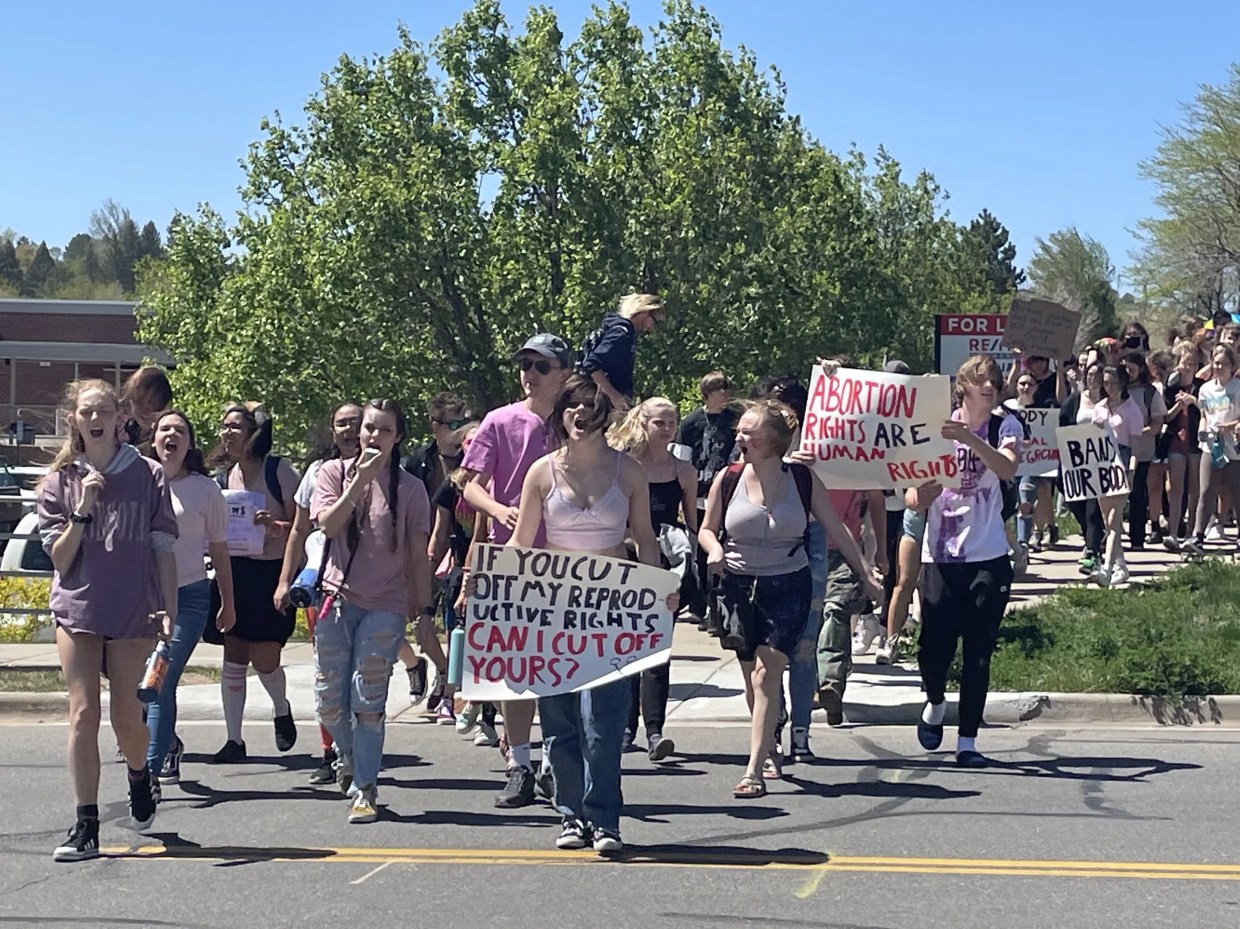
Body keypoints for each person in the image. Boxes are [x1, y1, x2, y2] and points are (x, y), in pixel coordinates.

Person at [502, 373, 676, 855]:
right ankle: (570, 815)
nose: (581, 416)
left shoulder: (630, 473)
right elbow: (522, 542)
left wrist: (661, 591)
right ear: (561, 415)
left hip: (610, 611)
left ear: (606, 418)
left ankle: (606, 820)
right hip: (551, 608)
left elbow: (644, 541)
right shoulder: (541, 472)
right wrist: (490, 579)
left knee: (602, 722)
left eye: (591, 409)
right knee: (558, 722)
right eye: (572, 408)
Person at [699, 400, 879, 799]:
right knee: (752, 678)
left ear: (774, 441)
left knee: (767, 675)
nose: (740, 438)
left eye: (750, 432)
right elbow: (706, 529)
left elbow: (838, 528)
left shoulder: (801, 479)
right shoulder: (727, 478)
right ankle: (769, 734)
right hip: (738, 585)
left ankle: (753, 769)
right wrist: (713, 549)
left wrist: (866, 574)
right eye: (740, 431)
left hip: (788, 584)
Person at [37, 380, 179, 861]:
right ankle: (86, 824)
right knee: (83, 714)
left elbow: (163, 547)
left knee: (126, 719)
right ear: (73, 421)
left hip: (133, 608)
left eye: (103, 411)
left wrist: (169, 607)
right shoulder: (60, 481)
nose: (94, 419)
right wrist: (82, 510)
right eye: (85, 412)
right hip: (78, 608)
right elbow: (59, 560)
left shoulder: (149, 474)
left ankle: (140, 776)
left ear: (120, 419)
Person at [461, 332, 571, 808]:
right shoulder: (499, 420)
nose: (530, 374)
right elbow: (468, 485)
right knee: (513, 667)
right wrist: (497, 508)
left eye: (541, 366)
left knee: (560, 665)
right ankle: (520, 764)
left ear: (564, 372)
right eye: (525, 365)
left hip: (569, 560)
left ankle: (556, 763)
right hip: (510, 557)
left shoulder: (579, 421)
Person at [311, 399, 433, 823]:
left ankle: (365, 787)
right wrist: (358, 481)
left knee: (367, 699)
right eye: (368, 428)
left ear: (398, 437)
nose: (373, 437)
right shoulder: (331, 474)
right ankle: (347, 757)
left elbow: (419, 554)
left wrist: (424, 607)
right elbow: (327, 524)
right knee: (328, 703)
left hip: (386, 604)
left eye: (384, 430)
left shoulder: (412, 489)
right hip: (335, 600)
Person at [907, 355, 1021, 767]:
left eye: (993, 380)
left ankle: (968, 741)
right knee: (932, 650)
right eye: (980, 380)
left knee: (978, 652)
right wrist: (922, 497)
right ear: (963, 387)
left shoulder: (1005, 426)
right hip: (940, 556)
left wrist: (970, 439)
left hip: (987, 554)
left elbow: (1007, 468)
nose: (988, 386)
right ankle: (935, 701)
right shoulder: (936, 425)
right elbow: (912, 493)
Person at [145, 411, 236, 796]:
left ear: (189, 443)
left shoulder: (204, 490)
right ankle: (167, 742)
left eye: (179, 430)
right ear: (154, 440)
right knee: (141, 683)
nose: (171, 435)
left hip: (190, 597)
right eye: (165, 429)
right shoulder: (139, 480)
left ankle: (148, 772)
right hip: (142, 597)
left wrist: (228, 603)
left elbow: (219, 549)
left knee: (161, 678)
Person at [206, 403, 301, 763]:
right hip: (235, 571)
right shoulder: (223, 477)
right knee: (233, 654)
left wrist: (275, 527)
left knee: (265, 658)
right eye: (224, 426)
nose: (227, 434)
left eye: (235, 427)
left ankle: (281, 708)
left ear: (253, 433)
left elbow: (302, 526)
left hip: (272, 572)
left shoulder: (279, 471)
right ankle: (234, 740)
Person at [274, 403, 362, 784]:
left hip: (371, 589)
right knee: (329, 675)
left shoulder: (387, 473)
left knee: (362, 675)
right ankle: (333, 751)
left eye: (356, 424)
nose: (349, 431)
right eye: (342, 423)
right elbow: (297, 531)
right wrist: (284, 580)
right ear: (332, 430)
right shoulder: (315, 474)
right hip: (325, 587)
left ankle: (362, 747)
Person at [609, 397, 699, 761]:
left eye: (671, 423)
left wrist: (692, 563)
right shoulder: (624, 466)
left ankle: (655, 731)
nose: (667, 429)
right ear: (643, 424)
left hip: (666, 565)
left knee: (658, 648)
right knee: (626, 646)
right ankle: (626, 727)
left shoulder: (684, 472)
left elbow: (692, 523)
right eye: (659, 423)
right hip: (625, 561)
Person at [400, 393, 472, 705]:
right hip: (424, 546)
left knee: (458, 621)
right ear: (435, 425)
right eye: (453, 424)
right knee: (419, 617)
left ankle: (457, 689)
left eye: (464, 422)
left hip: (460, 547)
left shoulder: (474, 455)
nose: (460, 430)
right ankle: (443, 673)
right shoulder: (419, 461)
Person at [677, 371, 739, 625]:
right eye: (718, 389)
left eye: (726, 388)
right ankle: (698, 605)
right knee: (698, 553)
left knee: (722, 551)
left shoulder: (734, 420)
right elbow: (681, 458)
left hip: (726, 494)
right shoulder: (691, 422)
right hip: (697, 494)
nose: (724, 393)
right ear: (707, 393)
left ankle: (718, 610)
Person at [1183, 345, 1240, 557]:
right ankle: (1198, 536)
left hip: (1234, 446)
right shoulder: (1206, 389)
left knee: (1236, 492)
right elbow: (1205, 415)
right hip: (1212, 446)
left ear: (1232, 366)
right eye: (1216, 363)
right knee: (1206, 491)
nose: (1219, 367)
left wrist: (1232, 426)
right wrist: (1203, 431)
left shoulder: (1237, 388)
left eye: (1224, 364)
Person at [1090, 366, 1144, 586]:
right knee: (1108, 520)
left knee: (1114, 518)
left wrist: (1131, 472)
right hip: (1101, 464)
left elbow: (1136, 447)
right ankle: (1120, 563)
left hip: (1121, 463)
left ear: (1122, 383)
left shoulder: (1132, 410)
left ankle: (1107, 567)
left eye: (1112, 383)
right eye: (1105, 382)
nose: (1108, 387)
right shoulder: (1099, 407)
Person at [578, 293, 663, 414]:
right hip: (601, 405)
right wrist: (615, 397)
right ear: (644, 312)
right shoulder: (621, 335)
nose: (652, 328)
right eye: (654, 321)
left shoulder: (616, 329)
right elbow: (591, 365)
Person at [1059, 363, 1107, 575]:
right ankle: (1092, 535)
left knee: (1093, 508)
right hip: (1076, 461)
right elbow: (1063, 424)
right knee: (1074, 503)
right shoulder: (1075, 400)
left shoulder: (1110, 400)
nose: (1092, 379)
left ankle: (1093, 551)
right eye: (1089, 374)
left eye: (1097, 375)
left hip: (1101, 461)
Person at [1120, 351, 1167, 551]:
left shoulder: (1150, 393)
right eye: (1125, 368)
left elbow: (1157, 423)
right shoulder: (1115, 392)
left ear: (1140, 369)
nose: (1128, 372)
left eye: (1132, 368)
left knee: (1137, 492)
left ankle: (1137, 538)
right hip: (1117, 451)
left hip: (1142, 452)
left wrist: (1139, 432)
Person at [1161, 343, 1203, 550]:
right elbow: (1166, 417)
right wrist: (1180, 403)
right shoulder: (1170, 389)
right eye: (1185, 363)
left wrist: (1193, 400)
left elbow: (1209, 411)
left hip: (1196, 443)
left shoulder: (1202, 386)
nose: (1188, 367)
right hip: (1176, 441)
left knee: (1195, 489)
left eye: (1192, 363)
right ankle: (1173, 533)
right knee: (1176, 490)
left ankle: (1191, 534)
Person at [120, 366, 174, 451]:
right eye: (138, 401)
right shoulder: (121, 434)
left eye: (154, 403)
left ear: (167, 404)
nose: (145, 410)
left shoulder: (173, 438)